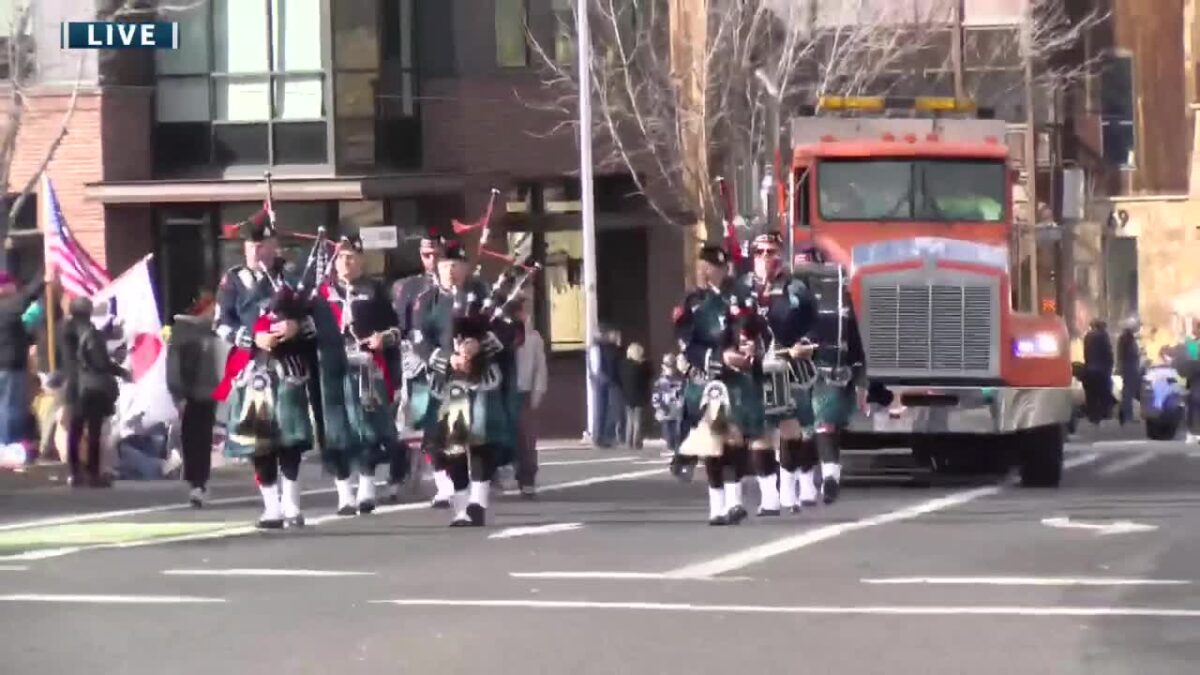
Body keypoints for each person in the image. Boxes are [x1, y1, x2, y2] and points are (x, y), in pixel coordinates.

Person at [212, 211, 318, 529]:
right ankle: (271, 507)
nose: (258, 251)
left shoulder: (293, 277)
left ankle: (292, 505)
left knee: (290, 440)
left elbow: (317, 320)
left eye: (264, 245)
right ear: (245, 248)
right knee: (259, 443)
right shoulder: (233, 280)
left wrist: (295, 326)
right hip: (253, 367)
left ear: (274, 245)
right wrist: (251, 337)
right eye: (253, 246)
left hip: (288, 367)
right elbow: (220, 323)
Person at [413, 236, 517, 526]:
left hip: (482, 378)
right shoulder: (426, 301)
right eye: (445, 264)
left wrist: (479, 347)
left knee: (482, 441)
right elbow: (418, 339)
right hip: (447, 380)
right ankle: (461, 507)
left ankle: (478, 502)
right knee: (452, 445)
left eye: (455, 264)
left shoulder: (486, 295)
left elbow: (509, 330)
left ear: (466, 266)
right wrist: (448, 359)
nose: (450, 270)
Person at [673, 242, 765, 525]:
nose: (715, 271)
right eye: (711, 266)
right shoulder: (692, 303)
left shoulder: (741, 295)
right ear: (702, 267)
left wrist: (752, 347)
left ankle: (735, 501)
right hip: (709, 379)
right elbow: (687, 345)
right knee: (714, 441)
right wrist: (720, 357)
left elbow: (757, 328)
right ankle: (717, 505)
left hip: (738, 378)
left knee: (735, 438)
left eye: (721, 267)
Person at [315, 234, 403, 516]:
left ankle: (367, 487)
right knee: (335, 431)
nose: (346, 262)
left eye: (352, 257)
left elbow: (397, 330)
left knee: (367, 427)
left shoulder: (375, 291)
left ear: (362, 260)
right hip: (330, 366)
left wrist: (383, 338)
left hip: (365, 365)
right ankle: (344, 493)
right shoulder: (322, 293)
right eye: (341, 257)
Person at [742, 232, 819, 514]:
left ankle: (788, 489)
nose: (765, 257)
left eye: (770, 251)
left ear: (780, 254)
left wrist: (804, 344)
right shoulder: (742, 289)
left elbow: (812, 322)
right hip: (754, 367)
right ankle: (768, 495)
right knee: (758, 430)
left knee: (790, 427)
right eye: (759, 252)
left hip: (787, 363)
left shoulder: (795, 288)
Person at [793, 245, 866, 504]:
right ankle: (804, 485)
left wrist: (860, 377)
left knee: (826, 425)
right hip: (793, 373)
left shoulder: (838, 304)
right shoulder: (781, 299)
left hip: (828, 371)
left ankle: (830, 477)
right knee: (802, 431)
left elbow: (853, 341)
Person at [394, 232, 447, 506]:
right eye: (427, 255)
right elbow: (402, 329)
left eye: (437, 254)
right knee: (422, 423)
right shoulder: (411, 287)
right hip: (420, 364)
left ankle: (475, 478)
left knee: (458, 425)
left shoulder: (463, 284)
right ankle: (439, 481)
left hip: (456, 364)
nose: (433, 261)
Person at [61, 296, 130, 487]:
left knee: (74, 431)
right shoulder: (91, 333)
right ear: (89, 311)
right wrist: (121, 371)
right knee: (94, 431)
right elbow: (100, 362)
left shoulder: (64, 331)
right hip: (91, 388)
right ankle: (93, 473)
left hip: (73, 386)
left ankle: (74, 472)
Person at [166, 293, 225, 507]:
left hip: (200, 393)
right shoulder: (195, 332)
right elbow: (174, 366)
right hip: (198, 393)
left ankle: (197, 483)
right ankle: (197, 483)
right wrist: (178, 393)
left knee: (196, 439)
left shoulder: (194, 332)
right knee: (197, 439)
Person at [0, 268, 45, 446]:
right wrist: (44, 276)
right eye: (10, 284)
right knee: (11, 408)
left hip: (8, 364)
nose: (14, 288)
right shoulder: (7, 307)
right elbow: (26, 297)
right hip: (9, 366)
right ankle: (9, 445)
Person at [514, 298, 547, 498]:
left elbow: (540, 369)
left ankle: (527, 479)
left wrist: (537, 393)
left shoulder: (533, 338)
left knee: (526, 439)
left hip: (523, 392)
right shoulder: (500, 333)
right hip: (500, 391)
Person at [1082, 319, 1115, 424]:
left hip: (1090, 368)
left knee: (1092, 393)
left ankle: (1093, 415)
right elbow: (1107, 353)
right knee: (1104, 391)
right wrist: (1110, 366)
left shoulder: (1087, 336)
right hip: (1102, 370)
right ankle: (1105, 412)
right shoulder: (1103, 336)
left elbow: (1086, 353)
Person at [651, 353, 684, 454]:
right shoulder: (660, 381)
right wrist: (658, 407)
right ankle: (671, 448)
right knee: (668, 434)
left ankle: (675, 450)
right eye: (667, 365)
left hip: (677, 411)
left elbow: (683, 394)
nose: (670, 368)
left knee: (678, 433)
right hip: (665, 411)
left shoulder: (680, 380)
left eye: (672, 365)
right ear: (663, 366)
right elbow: (655, 396)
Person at [620, 342, 652, 449]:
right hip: (640, 396)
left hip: (627, 396)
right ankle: (636, 442)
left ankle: (628, 442)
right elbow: (649, 375)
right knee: (638, 421)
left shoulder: (623, 365)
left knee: (629, 421)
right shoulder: (642, 367)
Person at [1116, 317, 1142, 426]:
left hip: (1128, 367)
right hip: (1130, 367)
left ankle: (1125, 414)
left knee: (1128, 392)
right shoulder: (1127, 339)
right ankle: (1126, 415)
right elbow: (1130, 353)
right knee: (1128, 392)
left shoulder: (1125, 338)